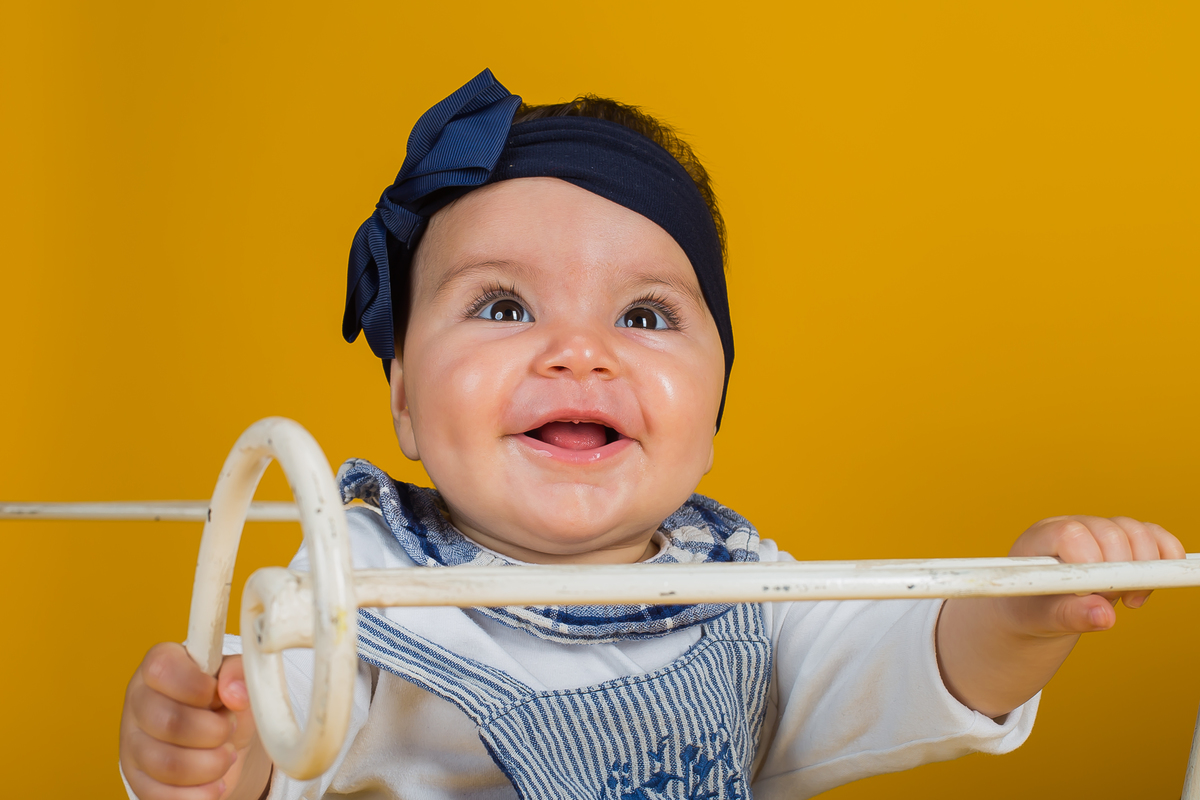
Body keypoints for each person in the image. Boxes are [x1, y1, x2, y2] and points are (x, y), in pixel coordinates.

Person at [117, 70, 1186, 800]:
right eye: (501, 306)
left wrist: (1021, 604)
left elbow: (906, 664)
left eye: (644, 316)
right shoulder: (360, 570)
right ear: (401, 397)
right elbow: (285, 703)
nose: (580, 353)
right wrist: (225, 749)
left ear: (711, 417)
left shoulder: (741, 590)